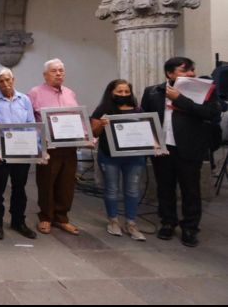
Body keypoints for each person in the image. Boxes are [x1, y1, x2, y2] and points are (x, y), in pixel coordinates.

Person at [141, 57, 221, 247]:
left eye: (192, 70)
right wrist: (151, 141)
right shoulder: (153, 92)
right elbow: (146, 118)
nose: (191, 74)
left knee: (190, 190)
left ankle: (190, 227)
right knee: (165, 188)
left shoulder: (204, 90)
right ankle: (168, 222)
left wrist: (180, 100)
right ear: (170, 73)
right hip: (163, 148)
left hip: (189, 147)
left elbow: (210, 114)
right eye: (184, 70)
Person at [0, 67, 38, 240]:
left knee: (19, 188)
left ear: (13, 79)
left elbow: (31, 124)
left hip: (22, 149)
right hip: (1, 151)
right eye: (1, 81)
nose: (5, 84)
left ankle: (18, 221)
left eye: (8, 80)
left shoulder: (25, 99)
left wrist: (35, 150)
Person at [90, 79, 148, 241]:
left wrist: (155, 146)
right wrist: (102, 124)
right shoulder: (103, 109)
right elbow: (94, 133)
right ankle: (113, 221)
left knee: (132, 190)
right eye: (119, 92)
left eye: (126, 92)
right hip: (110, 156)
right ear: (111, 93)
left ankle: (131, 223)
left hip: (134, 157)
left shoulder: (138, 110)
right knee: (112, 189)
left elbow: (147, 131)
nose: (123, 95)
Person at [28, 59, 81, 235]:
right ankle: (45, 217)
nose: (58, 73)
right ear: (45, 74)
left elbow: (77, 118)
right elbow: (30, 121)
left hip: (69, 146)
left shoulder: (70, 93)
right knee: (46, 181)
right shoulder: (35, 93)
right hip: (48, 147)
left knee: (67, 182)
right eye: (53, 71)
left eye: (61, 70)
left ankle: (62, 217)